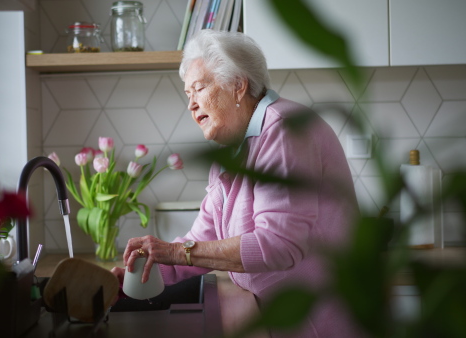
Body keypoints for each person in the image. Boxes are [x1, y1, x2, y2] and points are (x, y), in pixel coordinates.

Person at [111, 29, 363, 337]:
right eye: (187, 94)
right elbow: (199, 242)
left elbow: (279, 245)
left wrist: (176, 252)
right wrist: (134, 277)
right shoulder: (231, 154)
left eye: (199, 88)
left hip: (319, 321)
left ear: (237, 86)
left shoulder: (283, 130)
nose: (191, 105)